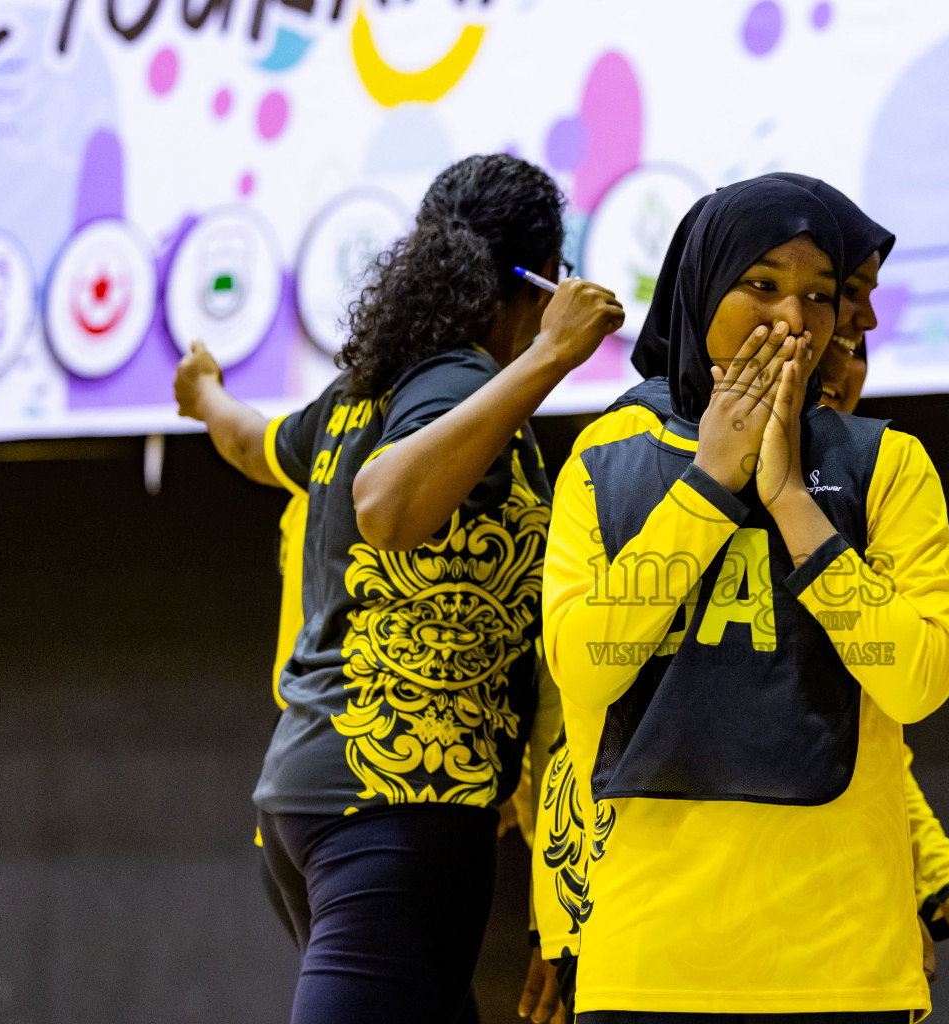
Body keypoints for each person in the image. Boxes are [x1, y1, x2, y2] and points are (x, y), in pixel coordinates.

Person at [174, 153, 623, 1024]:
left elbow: (249, 444)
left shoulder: (355, 396)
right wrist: (552, 357)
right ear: (536, 281)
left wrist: (205, 397)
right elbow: (387, 503)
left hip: (310, 803)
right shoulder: (466, 386)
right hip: (394, 811)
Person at [541, 175, 949, 1018]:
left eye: (817, 296)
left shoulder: (889, 463)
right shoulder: (608, 455)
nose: (792, 321)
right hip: (650, 960)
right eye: (761, 286)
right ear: (702, 291)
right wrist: (708, 484)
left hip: (845, 960)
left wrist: (794, 507)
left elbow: (916, 681)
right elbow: (587, 671)